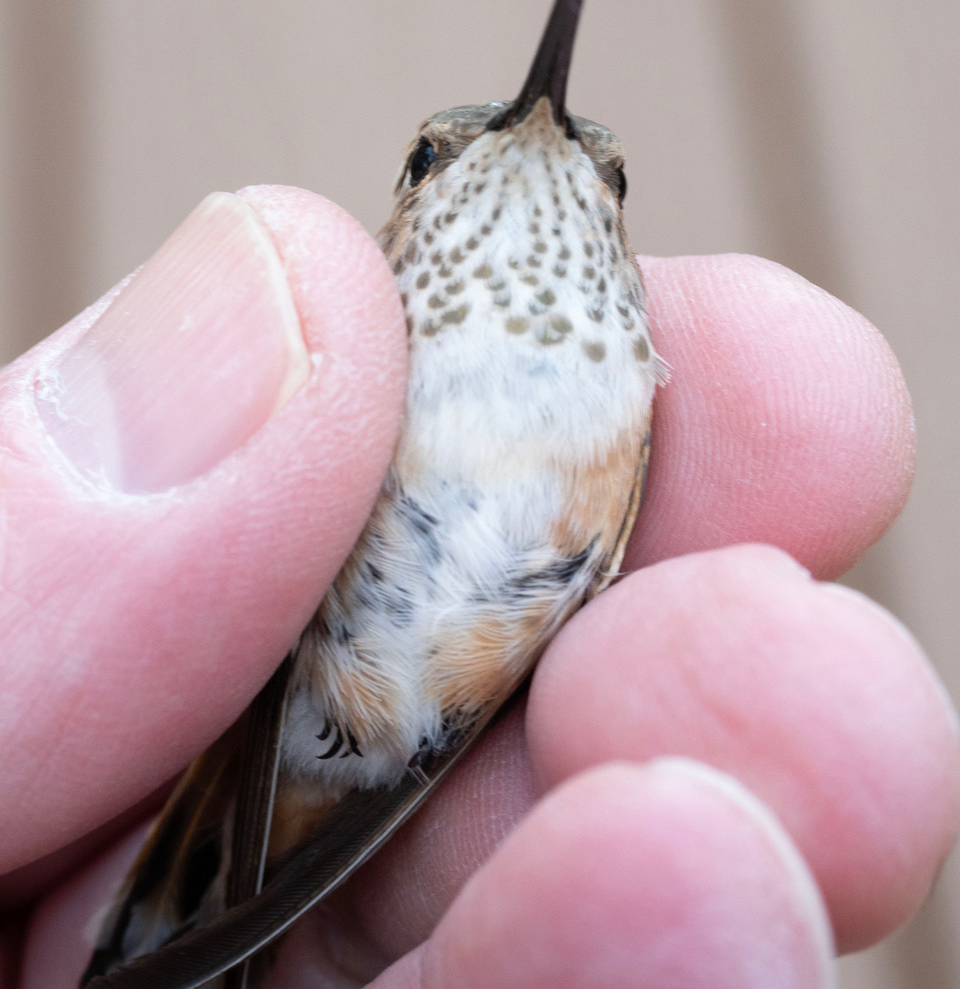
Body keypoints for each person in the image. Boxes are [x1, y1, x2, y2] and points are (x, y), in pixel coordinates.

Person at [1, 185, 956, 988]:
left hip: (424, 711)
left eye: (604, 179)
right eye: (435, 160)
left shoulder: (626, 376)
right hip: (326, 694)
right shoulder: (388, 320)